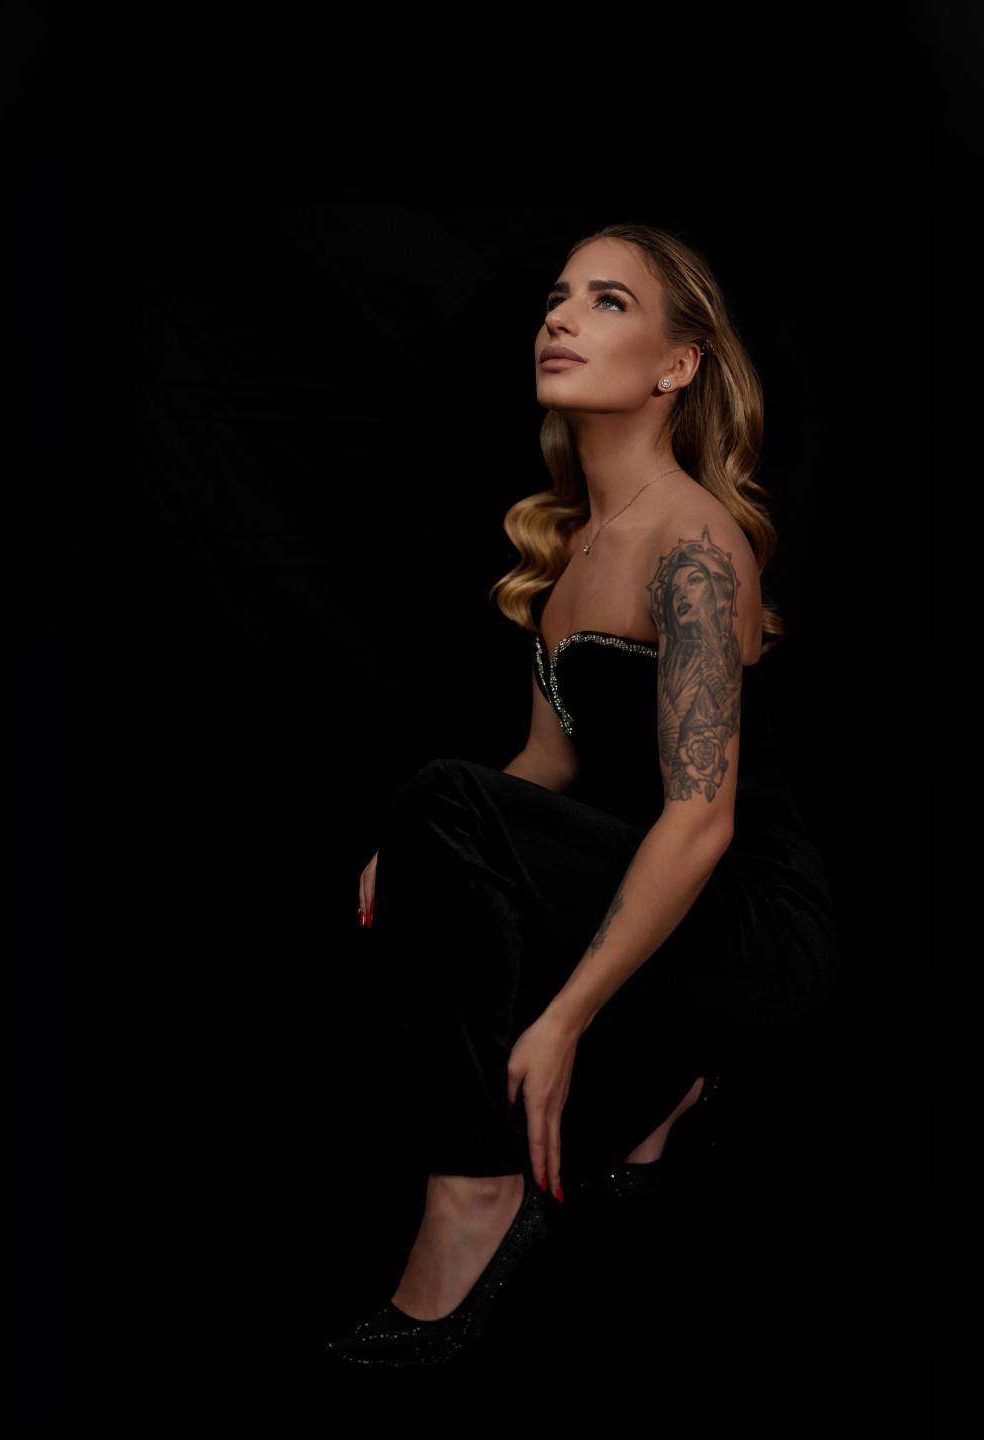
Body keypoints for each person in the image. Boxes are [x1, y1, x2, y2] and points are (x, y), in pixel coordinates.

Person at [327, 222, 841, 1367]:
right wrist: (419, 843)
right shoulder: (569, 552)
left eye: (608, 301)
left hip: (751, 914)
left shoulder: (693, 544)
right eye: (558, 297)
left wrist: (563, 1018)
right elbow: (546, 767)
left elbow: (700, 819)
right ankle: (665, 1070)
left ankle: (471, 1187)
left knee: (444, 799)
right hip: (638, 880)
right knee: (436, 806)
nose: (559, 317)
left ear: (677, 364)